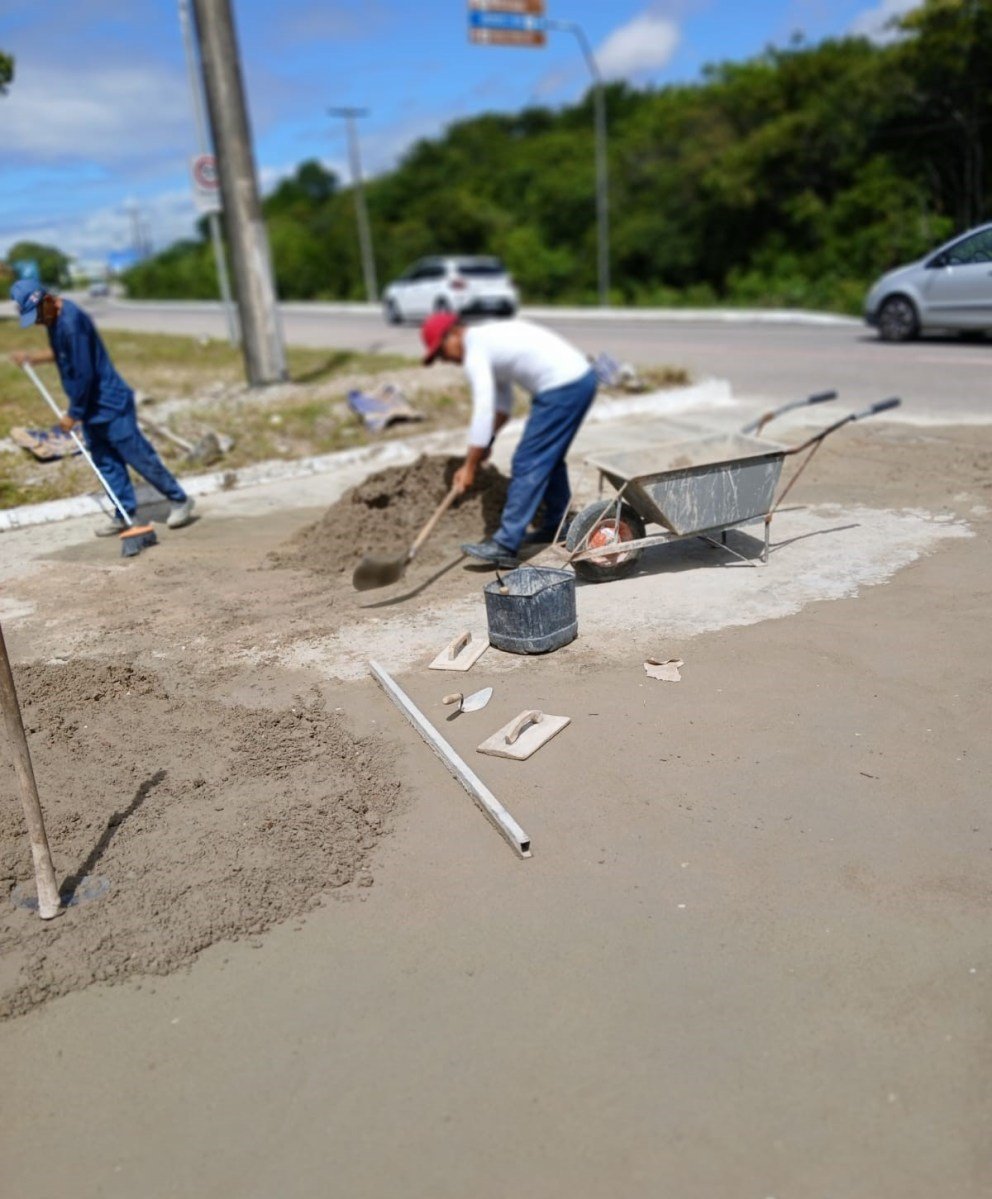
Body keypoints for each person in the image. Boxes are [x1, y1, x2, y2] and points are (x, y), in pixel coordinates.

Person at [9, 280, 195, 536]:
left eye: (38, 315)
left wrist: (73, 413)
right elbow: (60, 352)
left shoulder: (72, 324)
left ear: (49, 301)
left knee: (138, 457)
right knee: (106, 463)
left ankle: (180, 499)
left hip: (110, 403)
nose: (38, 322)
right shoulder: (54, 319)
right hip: (91, 407)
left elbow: (85, 374)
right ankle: (124, 513)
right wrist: (33, 358)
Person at [421, 312, 597, 568]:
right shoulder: (487, 343)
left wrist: (469, 465)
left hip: (563, 386)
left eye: (442, 351)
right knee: (548, 458)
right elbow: (502, 408)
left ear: (455, 333)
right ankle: (557, 525)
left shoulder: (475, 350)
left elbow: (483, 411)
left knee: (528, 461)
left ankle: (505, 544)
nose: (445, 359)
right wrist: (487, 443)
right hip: (575, 381)